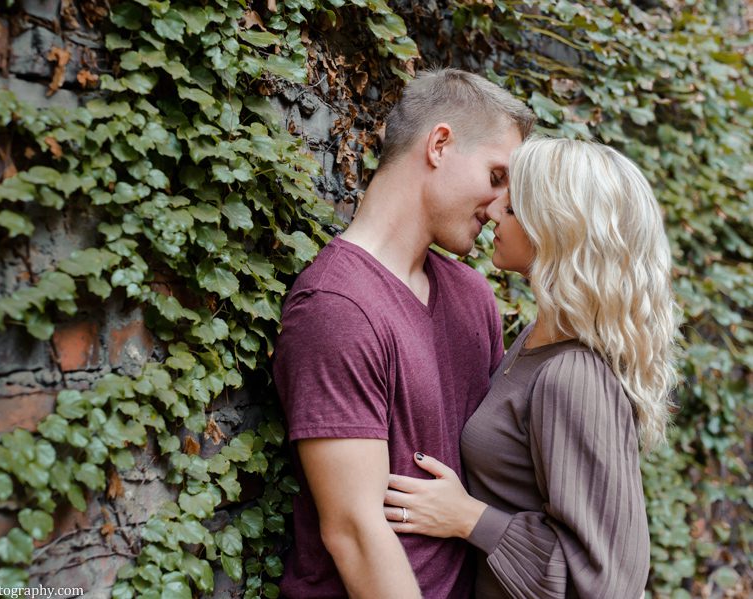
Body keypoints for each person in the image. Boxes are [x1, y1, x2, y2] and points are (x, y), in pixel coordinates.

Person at [271, 68, 535, 599]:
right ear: (440, 144)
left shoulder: (473, 296)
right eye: (496, 176)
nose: (502, 206)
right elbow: (355, 533)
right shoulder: (338, 306)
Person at [383, 137, 679, 598]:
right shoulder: (536, 339)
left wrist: (468, 519)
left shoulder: (572, 374)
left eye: (516, 207)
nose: (494, 211)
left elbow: (606, 581)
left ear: (560, 230)